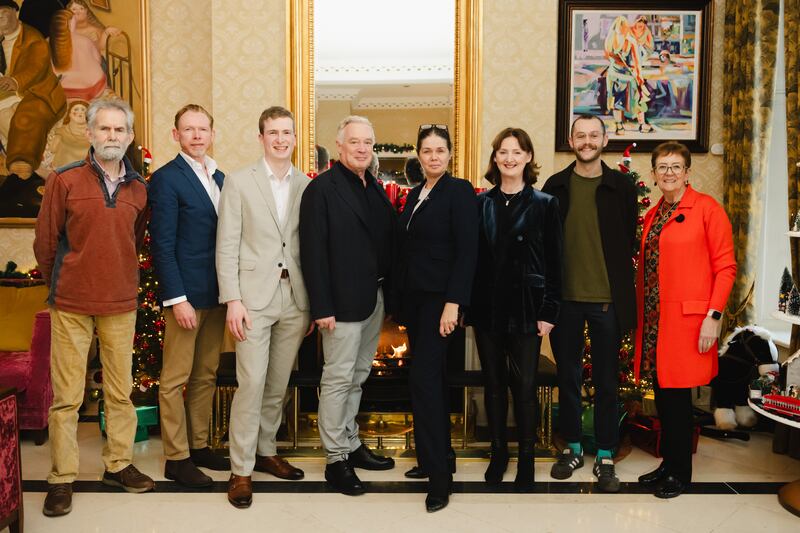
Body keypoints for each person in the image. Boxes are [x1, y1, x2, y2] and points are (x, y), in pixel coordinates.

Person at [34, 98, 152, 517]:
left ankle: (118, 465)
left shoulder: (140, 189)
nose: (112, 136)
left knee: (120, 393)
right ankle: (61, 478)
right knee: (67, 397)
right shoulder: (63, 181)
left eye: (120, 130)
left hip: (121, 303)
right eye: (105, 129)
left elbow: (132, 241)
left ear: (130, 137)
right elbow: (46, 244)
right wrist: (62, 283)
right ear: (89, 133)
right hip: (70, 304)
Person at [216, 106, 312, 508]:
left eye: (286, 132)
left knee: (277, 383)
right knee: (251, 383)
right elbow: (226, 244)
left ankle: (266, 449)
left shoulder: (308, 184)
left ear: (294, 138)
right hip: (252, 299)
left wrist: (312, 303)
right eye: (272, 132)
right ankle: (241, 469)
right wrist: (233, 300)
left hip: (295, 298)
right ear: (261, 138)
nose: (280, 139)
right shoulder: (238, 182)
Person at [299, 115, 397, 497]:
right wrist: (321, 306)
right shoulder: (321, 190)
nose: (361, 148)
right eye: (354, 142)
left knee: (357, 376)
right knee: (338, 380)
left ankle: (352, 443)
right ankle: (335, 459)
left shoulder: (372, 187)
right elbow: (312, 251)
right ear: (339, 146)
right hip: (338, 305)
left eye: (367, 142)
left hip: (373, 299)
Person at [633, 141, 736, 498]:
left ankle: (681, 473)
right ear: (654, 174)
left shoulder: (707, 209)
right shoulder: (654, 213)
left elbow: (726, 267)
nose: (669, 173)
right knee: (663, 396)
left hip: (690, 321)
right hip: (656, 322)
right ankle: (668, 463)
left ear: (688, 172)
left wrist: (714, 316)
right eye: (663, 167)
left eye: (676, 166)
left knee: (677, 399)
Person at [542, 114, 638, 493]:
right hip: (564, 301)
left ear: (604, 139)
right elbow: (547, 243)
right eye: (580, 135)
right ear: (571, 140)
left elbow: (627, 238)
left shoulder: (621, 187)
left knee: (606, 382)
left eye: (593, 135)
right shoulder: (555, 186)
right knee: (567, 378)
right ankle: (573, 449)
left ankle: (605, 455)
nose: (586, 141)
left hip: (606, 302)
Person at [468, 127, 562, 492]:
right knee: (493, 386)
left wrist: (550, 311)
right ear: (495, 159)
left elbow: (556, 262)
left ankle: (525, 456)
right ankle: (498, 453)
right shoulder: (482, 204)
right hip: (488, 308)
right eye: (503, 152)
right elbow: (474, 261)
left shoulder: (545, 204)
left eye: (516, 152)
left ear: (527, 158)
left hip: (527, 307)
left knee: (524, 387)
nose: (509, 158)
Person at [397, 124, 477, 512]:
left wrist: (454, 303)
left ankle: (440, 483)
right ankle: (436, 459)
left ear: (449, 155)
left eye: (440, 150)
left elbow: (467, 251)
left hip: (440, 304)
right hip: (416, 304)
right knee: (431, 380)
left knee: (424, 381)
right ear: (418, 154)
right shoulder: (415, 194)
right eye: (426, 151)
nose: (433, 157)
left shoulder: (459, 191)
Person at [148, 104, 229, 489]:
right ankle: (176, 458)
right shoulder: (166, 179)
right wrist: (176, 299)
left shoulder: (221, 177)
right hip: (186, 297)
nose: (196, 136)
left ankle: (197, 446)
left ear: (212, 134)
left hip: (217, 294)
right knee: (174, 378)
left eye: (202, 129)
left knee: (205, 374)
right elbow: (162, 245)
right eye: (188, 129)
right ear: (175, 135)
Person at [0, 0, 66, 179]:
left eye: (3, 12)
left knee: (24, 117)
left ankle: (23, 161)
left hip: (38, 89)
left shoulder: (31, 37)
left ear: (15, 12)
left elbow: (35, 67)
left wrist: (15, 81)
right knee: (6, 115)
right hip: (6, 93)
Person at [604, 15, 651, 135]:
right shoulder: (630, 41)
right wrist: (640, 79)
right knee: (639, 99)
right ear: (626, 28)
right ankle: (642, 125)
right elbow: (636, 63)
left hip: (613, 74)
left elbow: (608, 57)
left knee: (616, 101)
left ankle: (619, 127)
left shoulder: (609, 41)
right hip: (628, 77)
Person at [48, 100, 90, 170]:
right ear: (69, 114)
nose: (80, 113)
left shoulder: (94, 133)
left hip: (88, 174)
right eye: (76, 109)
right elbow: (52, 149)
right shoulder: (61, 131)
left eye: (83, 110)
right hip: (62, 173)